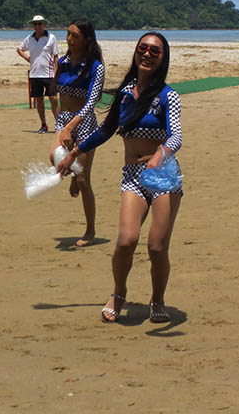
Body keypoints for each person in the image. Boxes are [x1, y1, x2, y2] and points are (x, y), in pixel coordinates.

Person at [57, 32, 182, 323]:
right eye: (143, 48)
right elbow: (105, 130)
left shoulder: (168, 95)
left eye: (155, 51)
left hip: (163, 175)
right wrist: (74, 153)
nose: (148, 54)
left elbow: (176, 134)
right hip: (133, 176)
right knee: (126, 241)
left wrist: (161, 153)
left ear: (163, 58)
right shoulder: (125, 94)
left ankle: (158, 299)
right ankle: (119, 291)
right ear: (136, 52)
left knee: (156, 246)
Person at [51, 19, 105, 247]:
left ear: (87, 40)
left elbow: (91, 102)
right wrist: (61, 124)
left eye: (75, 36)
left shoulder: (95, 67)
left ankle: (90, 230)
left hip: (84, 123)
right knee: (56, 161)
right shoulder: (62, 62)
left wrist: (71, 127)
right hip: (64, 120)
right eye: (68, 34)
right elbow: (57, 95)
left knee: (83, 180)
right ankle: (72, 173)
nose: (69, 39)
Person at [16, 14, 59, 132]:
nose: (37, 26)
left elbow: (56, 56)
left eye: (39, 24)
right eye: (35, 24)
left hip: (49, 74)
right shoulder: (29, 39)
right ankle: (43, 124)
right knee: (39, 100)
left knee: (53, 99)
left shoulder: (51, 38)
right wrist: (28, 59)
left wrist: (58, 72)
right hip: (35, 74)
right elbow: (19, 49)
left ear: (44, 25)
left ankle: (59, 125)